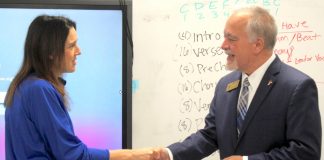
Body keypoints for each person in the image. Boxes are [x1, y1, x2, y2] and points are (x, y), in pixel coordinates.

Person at [156, 6, 322, 160]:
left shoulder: (297, 87)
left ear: (257, 44)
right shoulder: (225, 85)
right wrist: (169, 154)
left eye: (231, 39)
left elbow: (306, 152)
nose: (223, 45)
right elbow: (210, 135)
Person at [4, 15, 158, 160]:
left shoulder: (23, 86)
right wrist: (134, 155)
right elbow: (73, 155)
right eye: (71, 46)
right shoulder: (40, 90)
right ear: (50, 52)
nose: (79, 51)